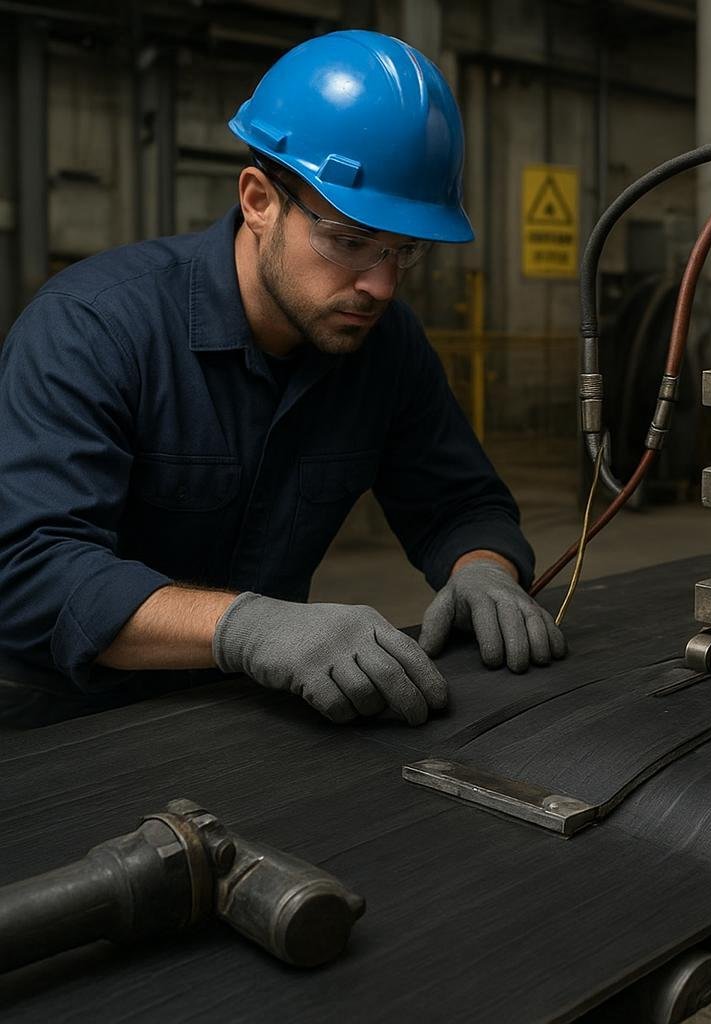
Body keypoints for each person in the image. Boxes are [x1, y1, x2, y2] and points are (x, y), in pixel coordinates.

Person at [0, 30, 564, 729]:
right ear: (259, 200)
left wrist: (484, 568)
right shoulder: (93, 327)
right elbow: (32, 572)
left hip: (244, 713)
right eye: (350, 241)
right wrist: (247, 627)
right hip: (57, 721)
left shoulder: (384, 348)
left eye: (405, 251)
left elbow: (458, 503)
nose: (381, 284)